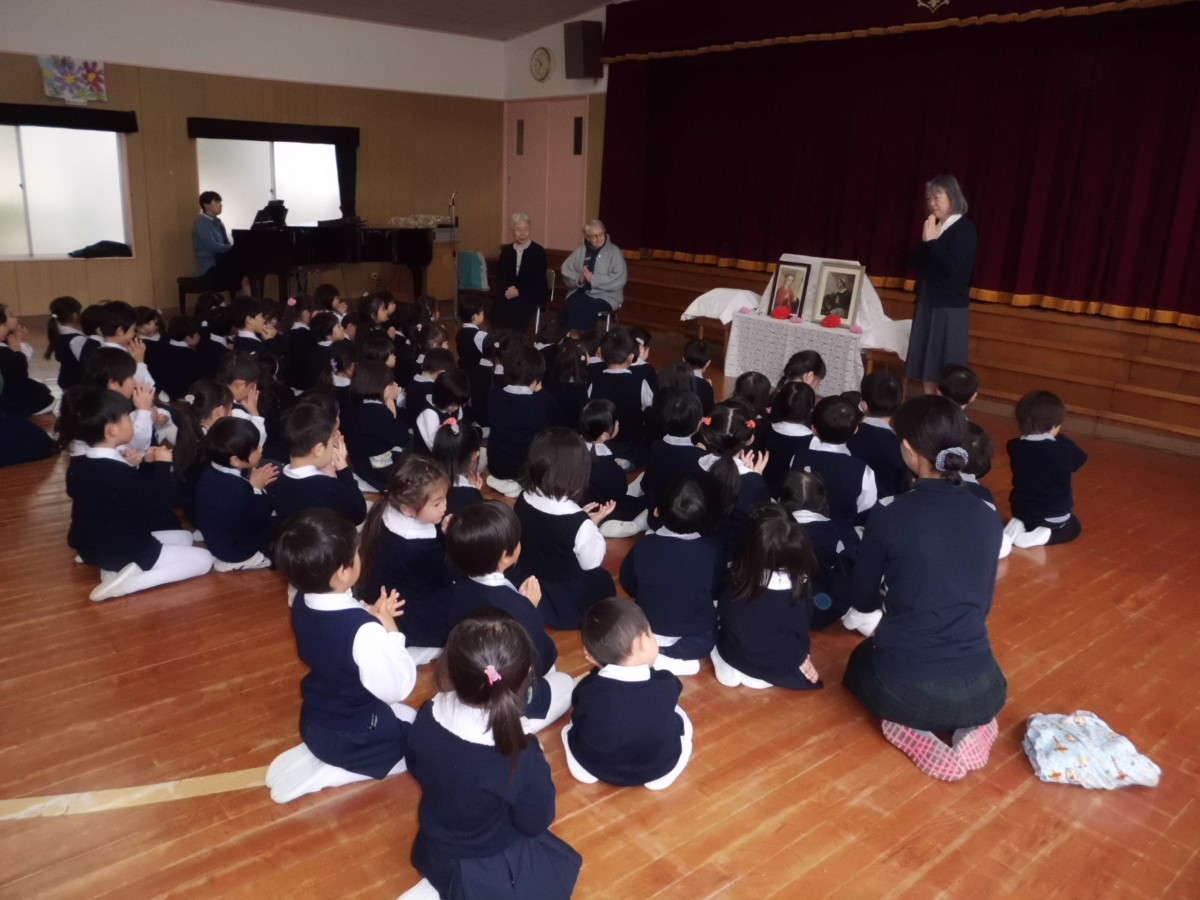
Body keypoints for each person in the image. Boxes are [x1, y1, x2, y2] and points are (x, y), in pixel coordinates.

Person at [842, 394, 1006, 781]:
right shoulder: (987, 513)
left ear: (909, 449)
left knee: (858, 665)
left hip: (908, 687)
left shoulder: (889, 512)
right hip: (986, 688)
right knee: (959, 677)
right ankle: (976, 723)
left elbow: (862, 598)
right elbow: (982, 605)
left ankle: (909, 725)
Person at [403, 608, 582, 900]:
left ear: (450, 669)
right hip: (481, 862)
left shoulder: (427, 713)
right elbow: (537, 819)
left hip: (432, 849)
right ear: (527, 678)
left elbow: (416, 763)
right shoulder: (518, 754)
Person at [265, 508, 417, 804]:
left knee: (409, 716)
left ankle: (325, 753)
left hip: (318, 717)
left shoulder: (302, 601)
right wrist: (389, 628)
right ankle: (337, 770)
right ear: (342, 572)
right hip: (355, 734)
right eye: (356, 553)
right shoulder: (364, 632)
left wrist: (368, 613)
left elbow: (336, 630)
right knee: (417, 750)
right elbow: (399, 688)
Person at [64, 387, 213, 601]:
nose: (132, 423)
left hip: (105, 545)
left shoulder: (85, 463)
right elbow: (156, 507)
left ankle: (115, 572)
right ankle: (132, 582)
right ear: (112, 430)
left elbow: (123, 496)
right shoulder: (117, 471)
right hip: (127, 549)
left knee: (186, 537)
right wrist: (162, 467)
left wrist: (144, 464)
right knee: (204, 559)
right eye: (127, 418)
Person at [443, 501, 574, 732]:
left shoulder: (458, 587)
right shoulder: (518, 607)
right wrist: (529, 608)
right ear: (505, 556)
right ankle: (514, 723)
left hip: (471, 673)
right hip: (508, 685)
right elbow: (541, 660)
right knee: (565, 682)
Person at [562, 598, 693, 789]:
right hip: (657, 766)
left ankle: (586, 770)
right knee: (680, 721)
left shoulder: (588, 688)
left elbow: (578, 704)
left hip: (596, 763)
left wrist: (600, 667)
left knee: (576, 725)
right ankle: (659, 778)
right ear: (642, 641)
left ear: (592, 657)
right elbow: (674, 691)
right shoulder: (665, 684)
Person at [513, 427, 616, 630]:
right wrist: (592, 527)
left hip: (529, 580)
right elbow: (591, 562)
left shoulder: (523, 498)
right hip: (564, 597)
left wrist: (583, 520)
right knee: (603, 581)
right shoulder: (579, 523)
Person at [711, 505, 823, 691]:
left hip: (734, 654)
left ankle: (733, 668)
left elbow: (724, 613)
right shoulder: (801, 585)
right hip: (774, 666)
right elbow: (801, 628)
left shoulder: (738, 576)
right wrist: (803, 655)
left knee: (718, 632)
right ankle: (756, 675)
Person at [619, 475, 723, 675]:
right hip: (694, 639)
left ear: (657, 511)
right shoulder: (712, 552)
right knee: (715, 626)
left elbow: (628, 583)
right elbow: (716, 590)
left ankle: (653, 655)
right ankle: (667, 657)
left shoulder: (643, 547)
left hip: (645, 631)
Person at [358, 456, 453, 665]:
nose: (445, 507)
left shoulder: (385, 509)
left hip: (380, 589)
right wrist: (449, 539)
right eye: (437, 503)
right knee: (459, 617)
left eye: (445, 498)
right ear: (408, 509)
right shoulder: (421, 546)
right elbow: (443, 579)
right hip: (405, 608)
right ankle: (410, 648)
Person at [906, 174, 978, 395]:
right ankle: (929, 405)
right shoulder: (937, 227)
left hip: (948, 306)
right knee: (928, 365)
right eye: (929, 198)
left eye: (937, 197)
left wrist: (934, 242)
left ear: (952, 197)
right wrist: (927, 241)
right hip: (928, 302)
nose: (931, 203)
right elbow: (914, 261)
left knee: (946, 369)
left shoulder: (964, 229)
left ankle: (944, 412)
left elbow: (951, 268)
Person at [1004, 390, 1088, 548]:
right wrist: (1062, 440)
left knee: (1028, 510)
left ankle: (1019, 524)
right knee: (1073, 526)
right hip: (1053, 513)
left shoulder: (1014, 446)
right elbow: (1080, 460)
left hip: (1020, 509)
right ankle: (1045, 535)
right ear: (1054, 425)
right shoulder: (1062, 446)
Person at [779, 470, 860, 630]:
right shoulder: (841, 532)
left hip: (782, 609)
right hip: (825, 611)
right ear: (823, 504)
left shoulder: (773, 531)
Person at [194, 417, 278, 571]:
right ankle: (248, 560)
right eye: (255, 449)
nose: (260, 449)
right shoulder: (238, 490)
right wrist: (258, 490)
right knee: (276, 523)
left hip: (215, 537)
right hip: (234, 551)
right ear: (235, 460)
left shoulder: (208, 471)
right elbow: (260, 518)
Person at [270, 399, 367, 526]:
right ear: (319, 449)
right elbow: (359, 513)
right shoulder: (328, 487)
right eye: (332, 443)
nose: (333, 446)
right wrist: (344, 470)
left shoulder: (280, 479)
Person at [696, 401, 772, 555]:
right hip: (734, 553)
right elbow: (761, 522)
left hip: (697, 542)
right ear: (750, 439)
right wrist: (756, 477)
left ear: (706, 436)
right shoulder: (754, 483)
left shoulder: (695, 464)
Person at [788, 395, 877, 526]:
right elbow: (865, 504)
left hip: (799, 530)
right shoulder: (862, 470)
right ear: (855, 430)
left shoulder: (799, 456)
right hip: (841, 537)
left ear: (813, 429)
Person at [484, 343, 555, 497]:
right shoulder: (542, 402)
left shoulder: (494, 395)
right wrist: (541, 392)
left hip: (495, 463)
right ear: (536, 378)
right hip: (522, 469)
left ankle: (505, 482)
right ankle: (517, 485)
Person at [342, 361, 408, 491]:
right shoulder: (378, 411)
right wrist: (392, 413)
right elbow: (401, 437)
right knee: (410, 444)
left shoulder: (354, 408)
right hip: (380, 470)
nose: (393, 387)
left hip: (360, 463)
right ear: (380, 387)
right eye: (390, 384)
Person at [846, 371, 910, 501]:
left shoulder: (848, 435)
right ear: (899, 403)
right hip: (886, 511)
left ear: (863, 405)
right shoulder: (902, 445)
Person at [560, 219, 627, 333]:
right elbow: (565, 269)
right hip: (582, 292)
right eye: (594, 236)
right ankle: (568, 338)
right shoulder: (581, 250)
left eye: (601, 234)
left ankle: (584, 340)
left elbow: (619, 278)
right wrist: (579, 278)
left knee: (586, 307)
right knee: (569, 304)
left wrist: (593, 279)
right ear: (587, 237)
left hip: (606, 296)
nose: (599, 238)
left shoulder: (614, 252)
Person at [494, 213, 549, 334]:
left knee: (518, 307)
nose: (522, 233)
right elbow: (502, 275)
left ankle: (515, 342)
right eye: (518, 230)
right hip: (510, 292)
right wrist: (509, 289)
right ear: (513, 231)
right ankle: (500, 342)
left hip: (531, 292)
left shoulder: (537, 251)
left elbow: (538, 280)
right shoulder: (507, 251)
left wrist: (519, 291)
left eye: (525, 229)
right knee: (499, 306)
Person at [191, 191, 250, 295]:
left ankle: (250, 306)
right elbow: (212, 246)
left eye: (220, 202)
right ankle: (250, 306)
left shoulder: (218, 222)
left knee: (245, 270)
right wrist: (233, 248)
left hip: (220, 263)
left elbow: (226, 244)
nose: (220, 205)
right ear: (206, 205)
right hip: (210, 267)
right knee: (243, 271)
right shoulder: (201, 223)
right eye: (217, 202)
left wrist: (233, 248)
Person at [0, 305, 54, 417]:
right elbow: (19, 371)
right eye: (4, 324)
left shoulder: (6, 345)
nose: (15, 318)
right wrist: (17, 350)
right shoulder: (5, 350)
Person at [44, 295, 87, 390]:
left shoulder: (59, 334)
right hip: (78, 386)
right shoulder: (76, 339)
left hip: (68, 384)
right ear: (75, 316)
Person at [683, 339, 715, 413]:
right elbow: (709, 412)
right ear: (708, 363)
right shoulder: (705, 386)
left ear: (683, 359)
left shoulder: (672, 376)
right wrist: (708, 387)